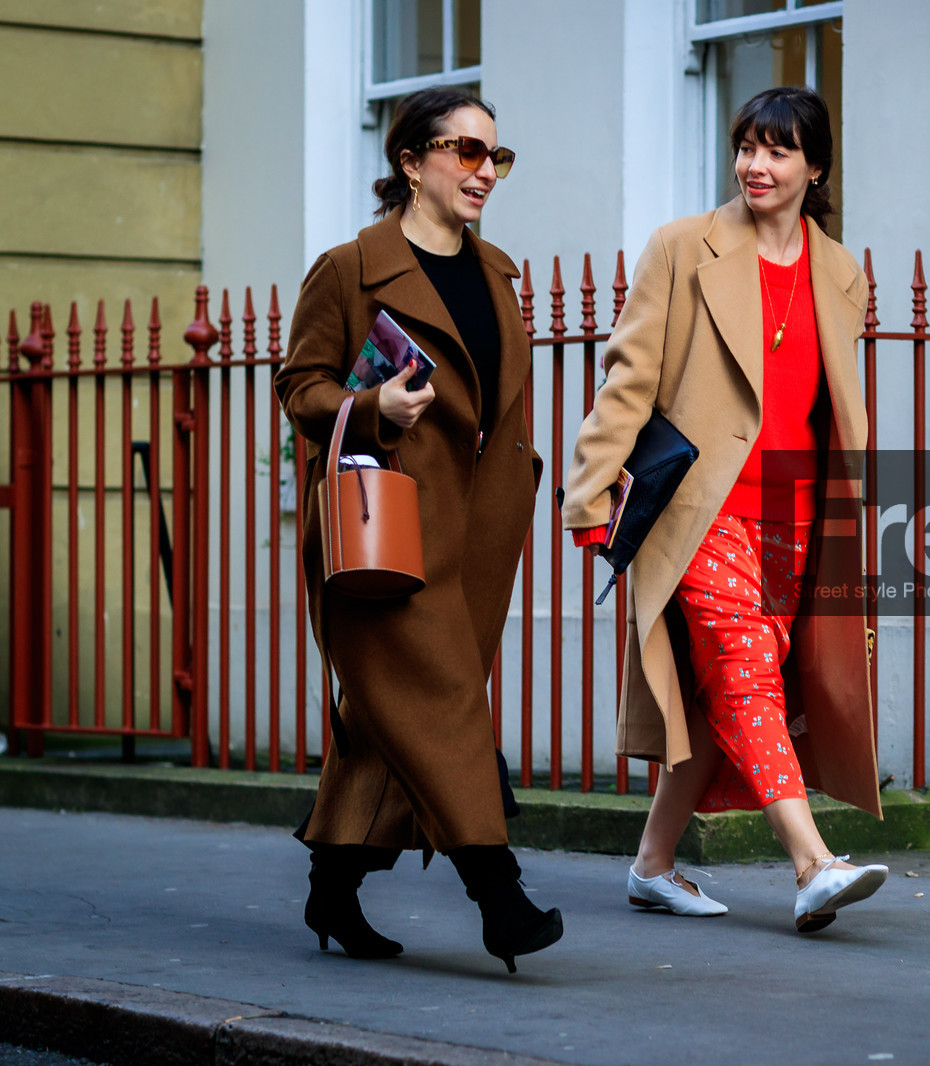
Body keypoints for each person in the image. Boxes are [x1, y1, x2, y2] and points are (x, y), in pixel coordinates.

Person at [562, 86, 887, 933]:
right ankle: (813, 863)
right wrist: (589, 495)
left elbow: (835, 408)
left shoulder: (841, 271)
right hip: (701, 510)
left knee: (727, 694)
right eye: (747, 146)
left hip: (797, 512)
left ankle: (652, 864)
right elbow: (627, 380)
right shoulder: (683, 248)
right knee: (743, 670)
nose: (756, 164)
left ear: (815, 168)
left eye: (778, 150)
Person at [275, 87, 561, 972]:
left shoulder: (498, 272)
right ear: (410, 161)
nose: (484, 173)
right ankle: (499, 897)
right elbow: (300, 387)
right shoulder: (350, 267)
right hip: (385, 527)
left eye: (495, 157)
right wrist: (371, 407)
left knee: (390, 719)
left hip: (474, 534)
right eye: (466, 152)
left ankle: (332, 888)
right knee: (443, 707)